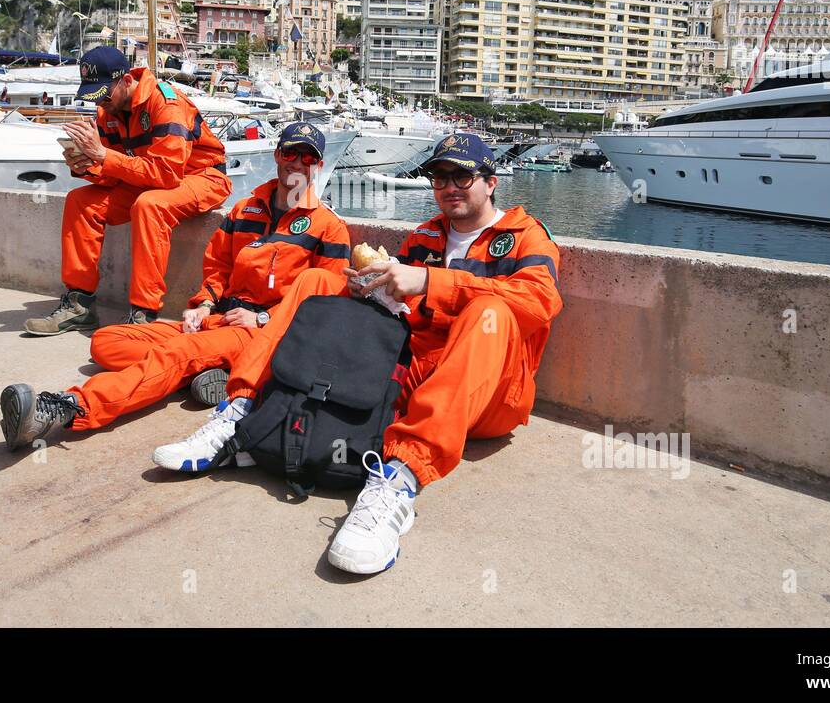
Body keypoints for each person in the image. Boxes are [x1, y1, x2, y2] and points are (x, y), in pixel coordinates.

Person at [152, 132, 563, 575]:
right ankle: (240, 410)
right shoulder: (426, 236)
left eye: (461, 176)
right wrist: (371, 290)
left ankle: (403, 476)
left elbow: (538, 303)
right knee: (316, 283)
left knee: (490, 310)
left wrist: (429, 283)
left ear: (490, 182)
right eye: (439, 177)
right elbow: (397, 314)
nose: (449, 187)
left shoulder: (524, 235)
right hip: (412, 379)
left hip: (484, 397)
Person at [0, 123, 349, 452]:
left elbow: (325, 304)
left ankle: (66, 409)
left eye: (309, 158)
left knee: (175, 354)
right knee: (106, 343)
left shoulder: (328, 227)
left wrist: (262, 320)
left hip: (259, 331)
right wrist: (203, 305)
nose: (298, 164)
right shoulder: (246, 209)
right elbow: (218, 267)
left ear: (317, 166)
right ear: (277, 155)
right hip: (219, 320)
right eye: (291, 154)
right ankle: (202, 371)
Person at [25, 47, 231, 334]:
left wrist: (103, 157)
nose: (102, 102)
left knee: (150, 205)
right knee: (80, 201)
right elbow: (115, 172)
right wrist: (85, 164)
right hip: (152, 177)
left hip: (201, 176)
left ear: (125, 80)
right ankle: (79, 305)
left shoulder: (165, 104)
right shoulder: (109, 110)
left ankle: (144, 314)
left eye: (105, 94)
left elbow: (167, 174)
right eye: (95, 95)